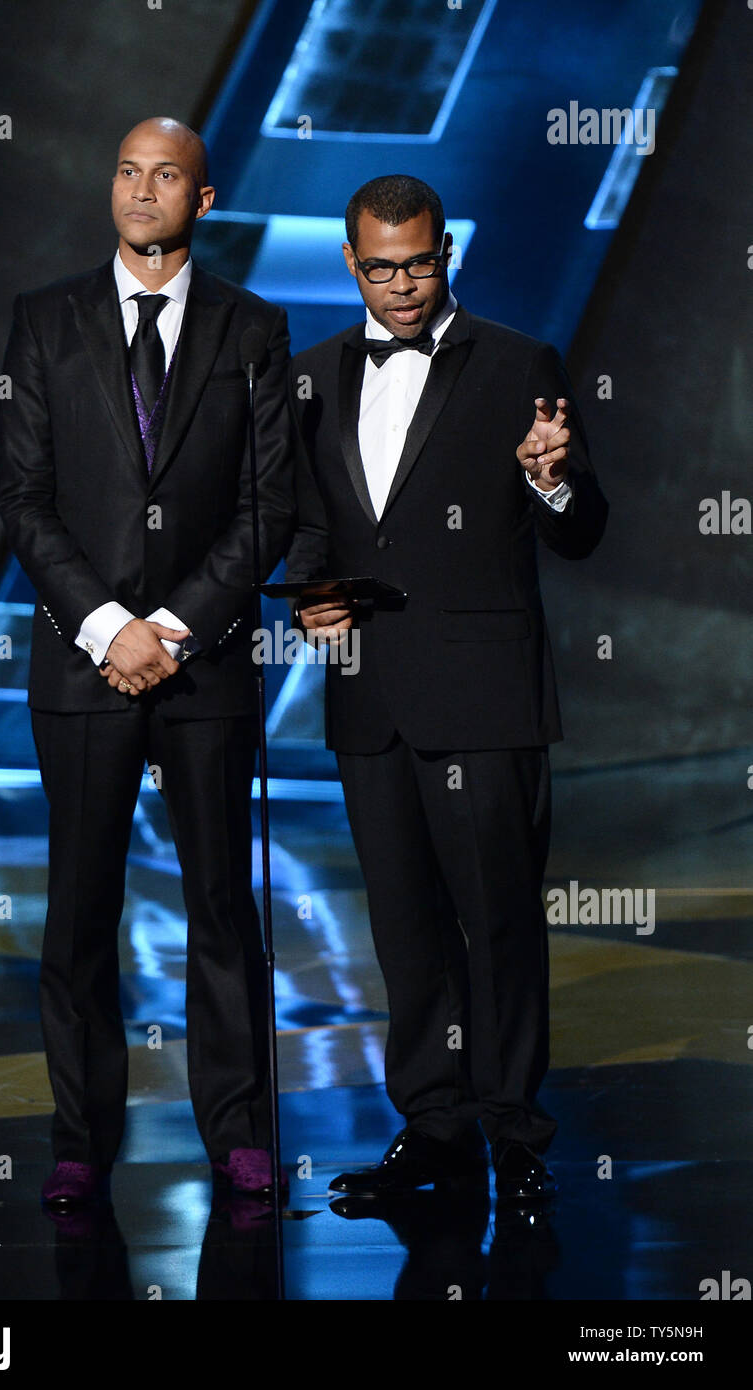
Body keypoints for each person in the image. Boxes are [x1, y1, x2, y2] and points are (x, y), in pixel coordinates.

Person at [285, 174, 607, 1202]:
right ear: (351, 263)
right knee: (404, 927)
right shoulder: (309, 378)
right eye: (382, 267)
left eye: (420, 262)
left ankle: (514, 1131)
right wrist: (309, 595)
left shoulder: (519, 363)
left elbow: (581, 528)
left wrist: (550, 478)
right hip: (370, 698)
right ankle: (434, 1126)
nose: (404, 284)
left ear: (446, 253)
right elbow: (311, 527)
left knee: (499, 917)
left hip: (484, 694)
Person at [0, 117, 294, 1206]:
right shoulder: (44, 322)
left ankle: (240, 1132)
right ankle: (80, 1139)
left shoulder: (255, 329)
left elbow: (267, 512)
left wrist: (169, 629)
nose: (140, 189)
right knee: (79, 910)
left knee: (222, 905)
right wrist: (107, 627)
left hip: (203, 665)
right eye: (125, 169)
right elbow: (23, 504)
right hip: (81, 668)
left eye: (166, 175)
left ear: (203, 202)